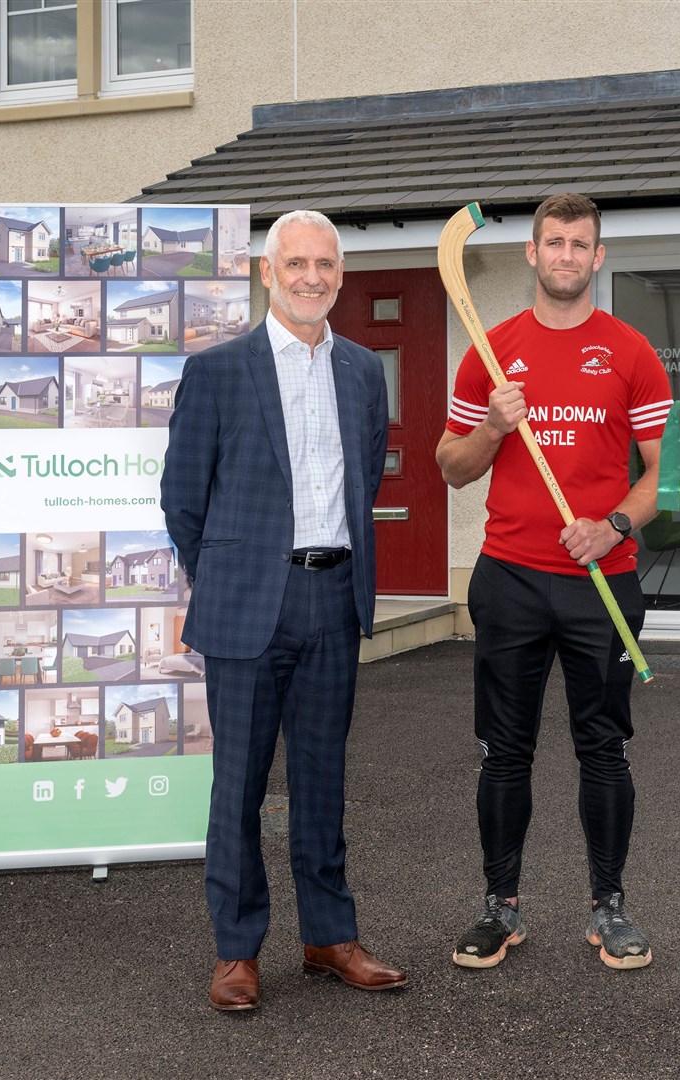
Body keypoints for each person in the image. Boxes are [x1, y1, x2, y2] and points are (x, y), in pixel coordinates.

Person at [160, 208, 406, 1011]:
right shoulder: (219, 371)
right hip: (245, 608)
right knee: (237, 784)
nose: (310, 277)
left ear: (340, 276)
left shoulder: (365, 372)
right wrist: (230, 574)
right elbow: (182, 501)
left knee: (322, 780)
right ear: (267, 274)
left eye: (324, 265)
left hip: (332, 598)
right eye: (294, 264)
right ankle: (237, 951)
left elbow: (361, 480)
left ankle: (330, 938)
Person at [437, 193, 673, 972]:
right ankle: (499, 906)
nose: (567, 255)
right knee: (503, 753)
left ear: (597, 257)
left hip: (600, 580)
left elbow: (656, 478)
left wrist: (615, 526)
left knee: (603, 749)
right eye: (554, 242)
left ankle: (610, 907)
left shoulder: (632, 351)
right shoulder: (490, 349)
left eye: (581, 244)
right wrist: (495, 426)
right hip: (508, 579)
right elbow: (451, 468)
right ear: (532, 255)